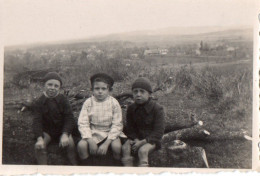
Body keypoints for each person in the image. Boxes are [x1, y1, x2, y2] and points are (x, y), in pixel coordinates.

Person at [77, 73, 126, 166]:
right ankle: (88, 168)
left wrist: (107, 143)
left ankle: (116, 168)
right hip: (93, 132)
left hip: (110, 132)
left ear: (109, 90)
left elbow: (117, 124)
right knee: (81, 145)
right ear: (92, 90)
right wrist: (90, 141)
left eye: (103, 89)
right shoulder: (88, 103)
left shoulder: (114, 103)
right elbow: (83, 123)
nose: (100, 91)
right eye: (97, 88)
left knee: (117, 147)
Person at [33, 72, 77, 165]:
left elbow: (69, 118)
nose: (52, 88)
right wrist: (39, 138)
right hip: (47, 131)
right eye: (49, 84)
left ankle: (74, 166)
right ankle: (43, 169)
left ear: (59, 88)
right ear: (44, 85)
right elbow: (37, 121)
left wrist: (65, 134)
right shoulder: (39, 102)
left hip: (62, 129)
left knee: (71, 144)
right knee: (39, 147)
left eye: (56, 86)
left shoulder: (63, 100)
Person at [121, 77, 165, 167]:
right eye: (135, 92)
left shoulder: (157, 109)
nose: (138, 94)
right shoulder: (131, 108)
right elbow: (130, 128)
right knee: (125, 147)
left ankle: (143, 170)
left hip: (152, 140)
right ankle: (128, 170)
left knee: (142, 151)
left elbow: (158, 132)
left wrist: (142, 142)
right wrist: (135, 139)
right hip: (136, 139)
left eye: (142, 91)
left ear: (149, 94)